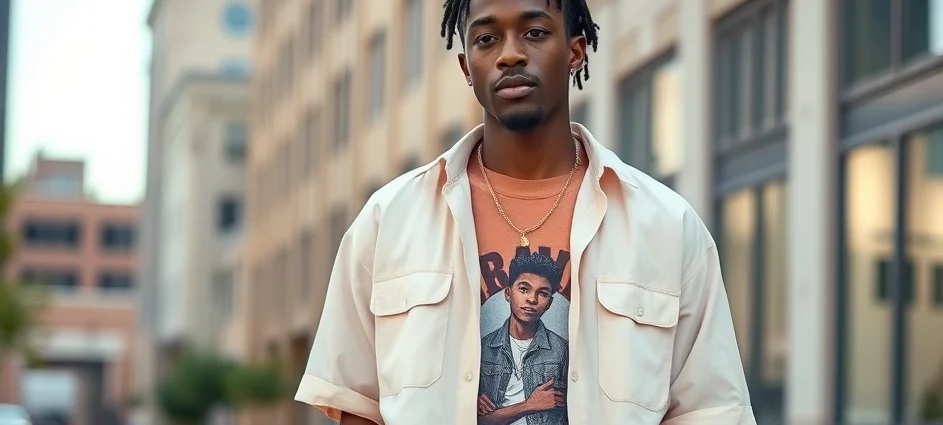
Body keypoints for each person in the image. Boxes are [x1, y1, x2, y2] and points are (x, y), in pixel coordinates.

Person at [295, 0, 755, 424]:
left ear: (576, 52)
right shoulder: (388, 221)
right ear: (466, 68)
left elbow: (708, 410)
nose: (510, 54)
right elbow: (356, 405)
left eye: (534, 33)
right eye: (486, 39)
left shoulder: (668, 227)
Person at [477, 250, 570, 425]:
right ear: (508, 293)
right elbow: (478, 421)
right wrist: (530, 405)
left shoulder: (562, 351)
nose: (532, 299)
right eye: (524, 289)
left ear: (549, 303)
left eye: (542, 293)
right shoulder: (484, 348)